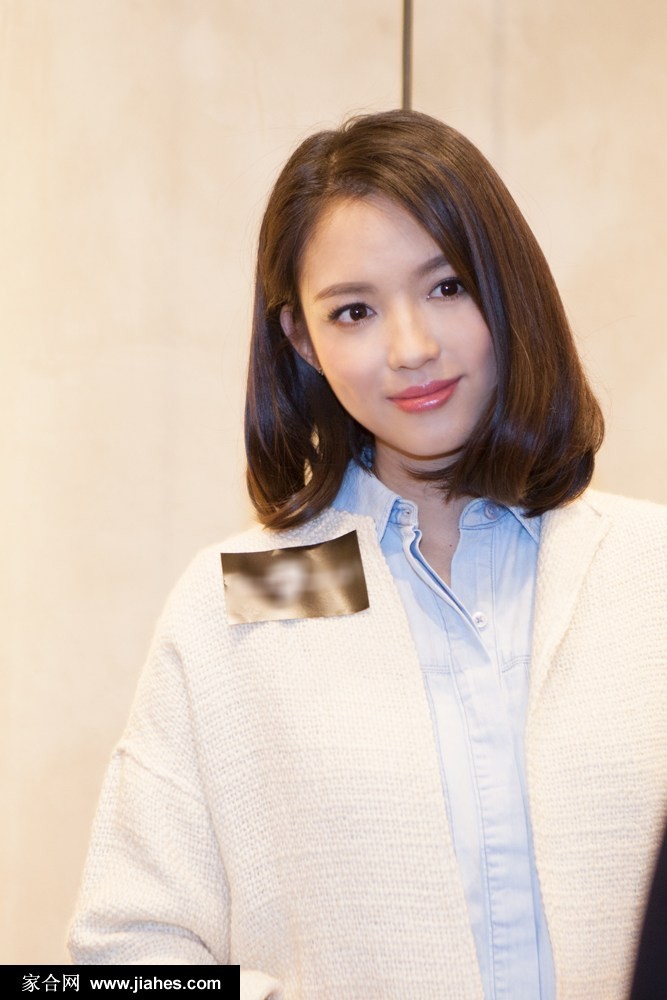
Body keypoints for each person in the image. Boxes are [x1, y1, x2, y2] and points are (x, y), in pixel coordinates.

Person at [68, 110, 667, 999]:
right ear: (301, 341)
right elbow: (122, 954)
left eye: (447, 287)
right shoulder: (235, 599)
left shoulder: (650, 570)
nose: (411, 348)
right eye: (353, 311)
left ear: (508, 288)